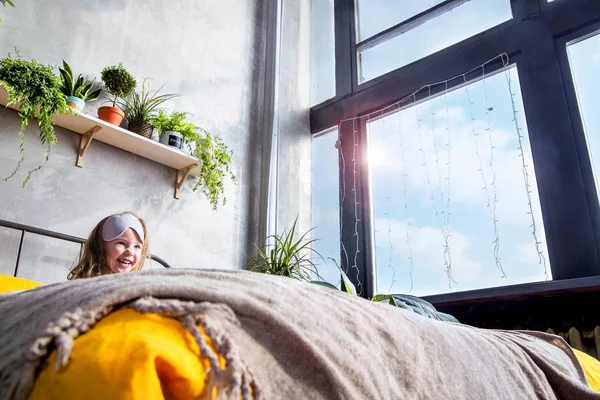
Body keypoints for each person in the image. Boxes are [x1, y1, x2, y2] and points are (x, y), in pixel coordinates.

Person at [68, 212, 150, 280]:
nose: (130, 252)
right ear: (101, 245)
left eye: (137, 246)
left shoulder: (136, 286)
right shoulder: (86, 284)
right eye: (121, 243)